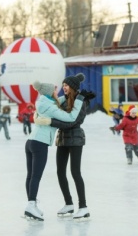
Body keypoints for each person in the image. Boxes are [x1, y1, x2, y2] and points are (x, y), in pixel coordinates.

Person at [35, 73, 95, 221]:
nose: (64, 88)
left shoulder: (81, 102)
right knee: (60, 172)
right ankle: (68, 203)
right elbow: (52, 108)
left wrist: (50, 122)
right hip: (62, 138)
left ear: (73, 87)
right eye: (63, 86)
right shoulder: (64, 100)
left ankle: (83, 207)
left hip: (75, 139)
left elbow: (72, 122)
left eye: (66, 85)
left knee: (75, 172)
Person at [24, 80, 86, 222]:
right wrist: (79, 100)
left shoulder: (43, 102)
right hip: (40, 143)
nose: (58, 90)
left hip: (30, 141)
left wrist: (77, 95)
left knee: (30, 176)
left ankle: (31, 204)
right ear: (49, 92)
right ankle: (31, 205)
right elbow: (70, 117)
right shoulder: (50, 107)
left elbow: (59, 101)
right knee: (36, 176)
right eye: (54, 89)